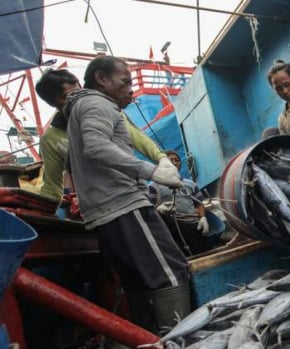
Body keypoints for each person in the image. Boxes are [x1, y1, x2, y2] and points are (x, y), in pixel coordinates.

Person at [63, 56, 190, 332]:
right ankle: (183, 347)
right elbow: (95, 147)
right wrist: (151, 171)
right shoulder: (97, 103)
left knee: (138, 280)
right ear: (101, 79)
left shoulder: (80, 108)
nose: (130, 89)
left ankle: (151, 344)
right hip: (122, 203)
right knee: (170, 271)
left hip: (104, 209)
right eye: (125, 82)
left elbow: (73, 163)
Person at [35, 69, 167, 202]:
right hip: (98, 205)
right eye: (69, 96)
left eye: (79, 90)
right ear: (54, 103)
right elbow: (52, 186)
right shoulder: (51, 140)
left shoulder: (106, 109)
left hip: (132, 192)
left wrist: (162, 159)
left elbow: (138, 138)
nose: (78, 98)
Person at [150, 150, 209, 256]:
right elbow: (149, 209)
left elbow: (199, 203)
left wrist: (203, 218)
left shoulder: (190, 184)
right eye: (170, 160)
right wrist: (159, 210)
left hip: (193, 226)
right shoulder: (155, 186)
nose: (174, 163)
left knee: (202, 253)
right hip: (172, 228)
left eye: (177, 160)